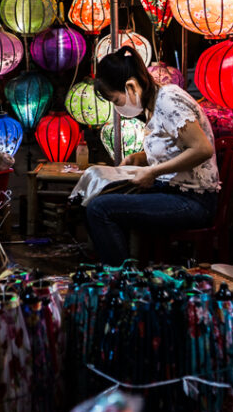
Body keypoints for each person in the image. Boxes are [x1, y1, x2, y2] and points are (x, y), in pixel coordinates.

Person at [85, 46, 220, 265]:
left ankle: (124, 280)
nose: (118, 107)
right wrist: (139, 159)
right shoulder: (152, 104)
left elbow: (202, 149)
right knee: (97, 197)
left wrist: (153, 171)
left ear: (130, 86)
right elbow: (172, 149)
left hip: (193, 201)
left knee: (100, 209)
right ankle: (120, 268)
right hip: (171, 190)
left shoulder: (168, 100)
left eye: (116, 100)